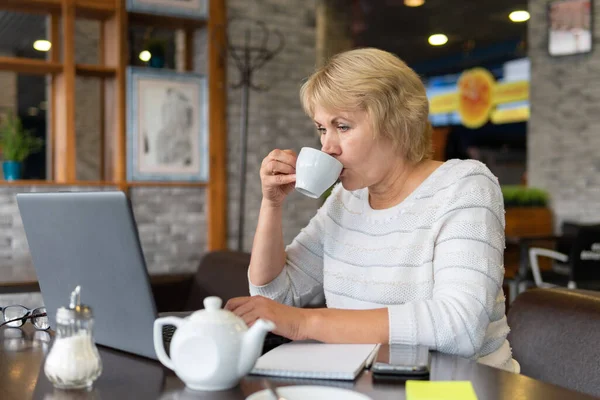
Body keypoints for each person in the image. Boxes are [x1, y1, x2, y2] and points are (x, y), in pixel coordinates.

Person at [224, 48, 519, 373]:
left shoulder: (463, 186)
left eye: (343, 126)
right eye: (322, 128)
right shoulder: (345, 201)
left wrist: (305, 323)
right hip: (367, 384)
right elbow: (276, 296)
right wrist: (272, 204)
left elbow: (459, 327)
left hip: (460, 389)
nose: (327, 146)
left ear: (396, 124)